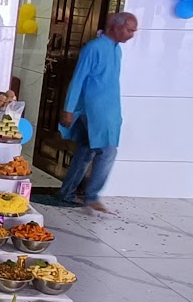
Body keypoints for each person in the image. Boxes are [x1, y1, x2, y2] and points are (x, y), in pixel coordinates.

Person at [58, 11, 138, 213]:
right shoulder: (93, 48)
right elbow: (78, 79)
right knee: (108, 151)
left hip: (109, 110)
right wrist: (68, 109)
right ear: (116, 27)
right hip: (92, 110)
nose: (131, 35)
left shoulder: (117, 51)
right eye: (129, 30)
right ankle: (92, 196)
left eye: (133, 31)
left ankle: (67, 192)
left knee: (87, 150)